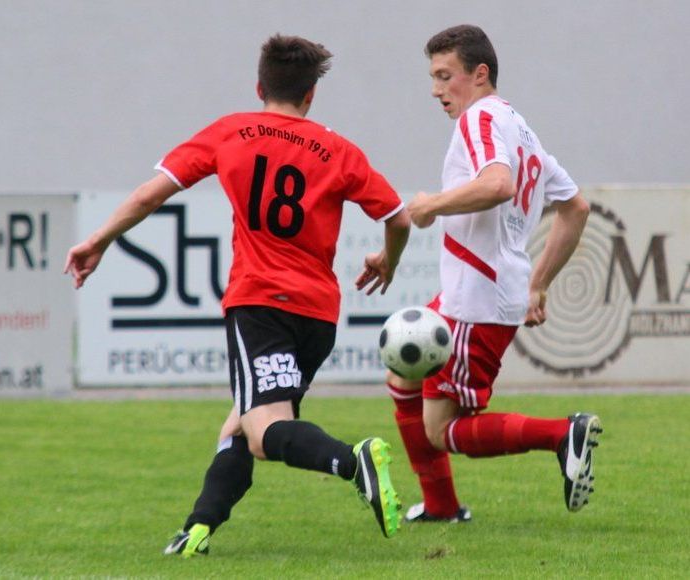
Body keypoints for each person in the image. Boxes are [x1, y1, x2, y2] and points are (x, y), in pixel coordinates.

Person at [64, 34, 411, 555]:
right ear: (311, 95)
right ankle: (198, 529)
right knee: (242, 424)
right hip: (318, 315)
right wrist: (389, 259)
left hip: (259, 304)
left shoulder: (232, 133)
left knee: (265, 429)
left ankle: (351, 459)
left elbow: (148, 194)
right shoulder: (339, 150)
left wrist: (100, 239)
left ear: (259, 85)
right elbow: (398, 217)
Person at [387, 24, 602, 524]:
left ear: (479, 74)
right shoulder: (520, 128)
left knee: (444, 430)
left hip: (475, 298)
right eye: (433, 78)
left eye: (446, 76)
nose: (437, 90)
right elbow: (577, 207)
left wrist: (430, 206)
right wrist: (539, 284)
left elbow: (498, 184)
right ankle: (440, 505)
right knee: (402, 373)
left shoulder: (479, 118)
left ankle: (560, 435)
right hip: (480, 290)